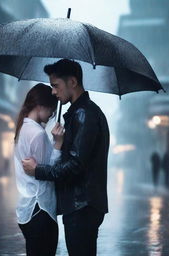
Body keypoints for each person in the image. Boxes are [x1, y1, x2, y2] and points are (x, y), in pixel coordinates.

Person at [22, 59, 110, 256]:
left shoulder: (83, 114)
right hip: (81, 205)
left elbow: (75, 165)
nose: (53, 92)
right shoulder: (79, 113)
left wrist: (38, 170)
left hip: (82, 205)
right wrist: (59, 141)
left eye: (55, 85)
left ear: (72, 82)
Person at [14, 83, 64, 256]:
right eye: (51, 107)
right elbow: (48, 171)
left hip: (27, 208)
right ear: (40, 105)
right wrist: (58, 144)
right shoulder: (37, 134)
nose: (52, 113)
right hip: (40, 208)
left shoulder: (22, 128)